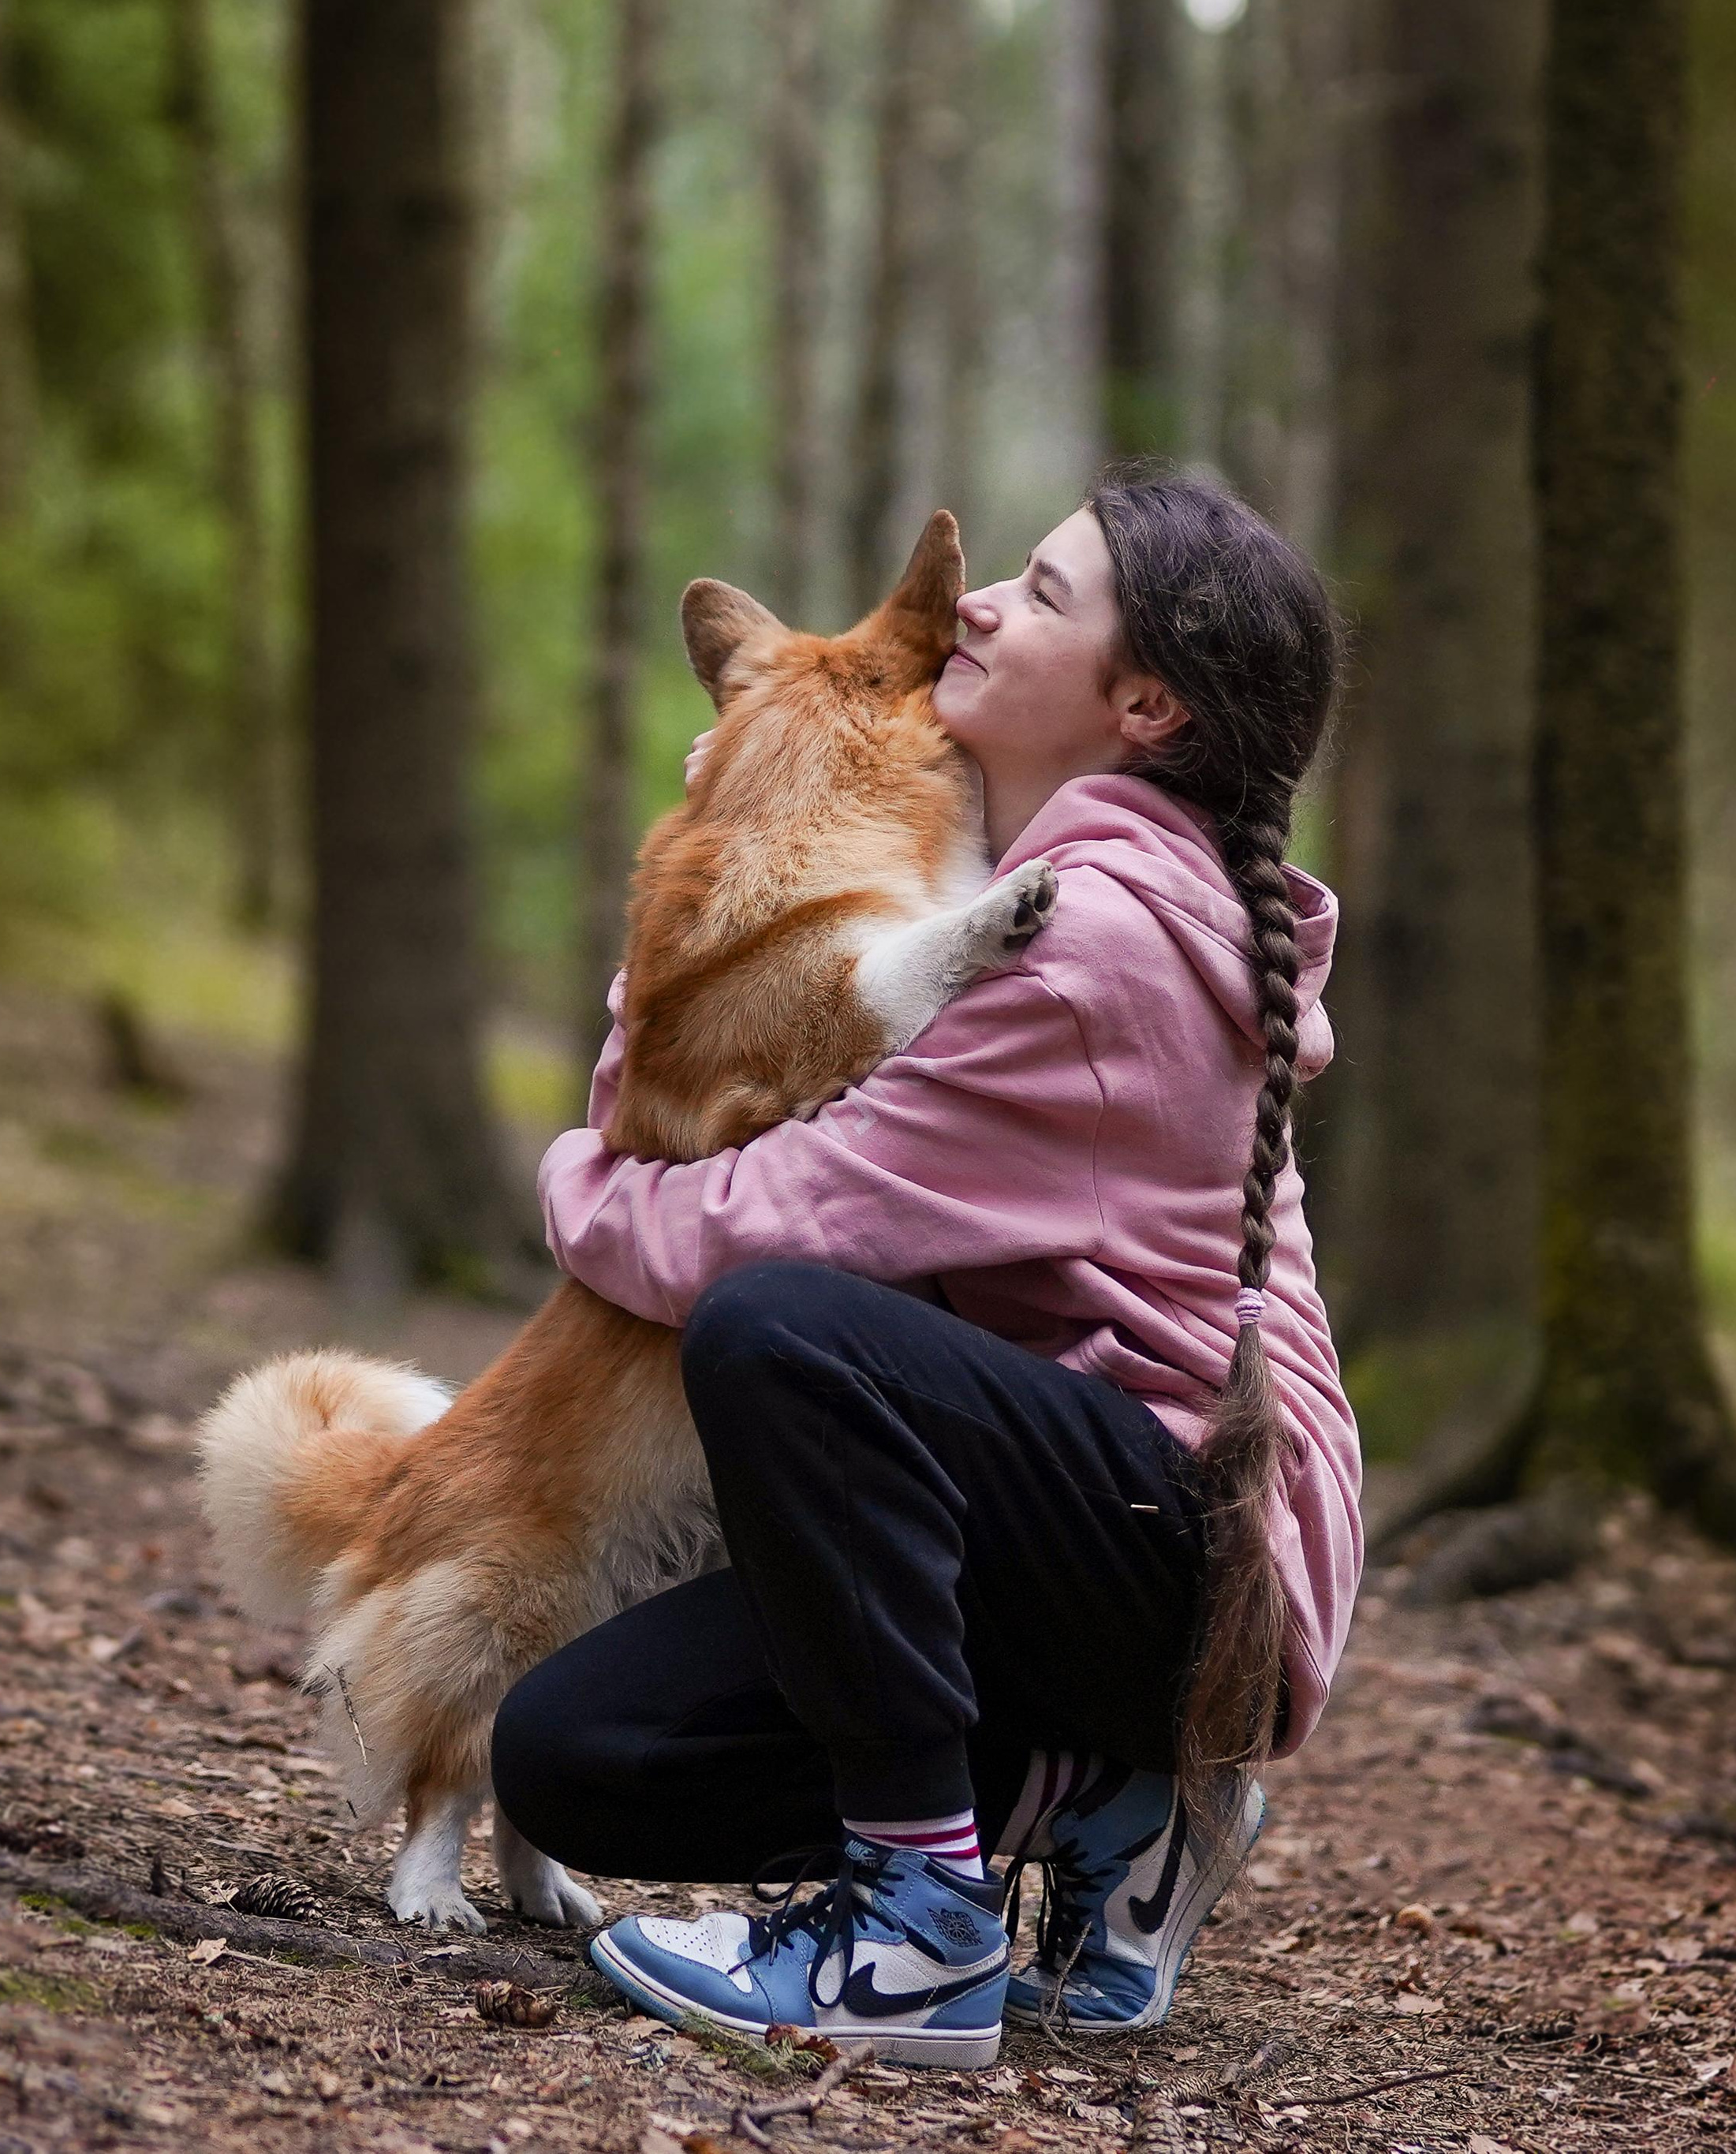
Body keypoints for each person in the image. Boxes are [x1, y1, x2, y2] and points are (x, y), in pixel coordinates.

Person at [491, 466, 1363, 2068]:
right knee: (569, 1752)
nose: (973, 602)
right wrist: (725, 839)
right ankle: (1099, 1799)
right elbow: (731, 1068)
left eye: (1039, 593)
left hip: (1182, 1545)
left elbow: (753, 1224)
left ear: (1145, 702)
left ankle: (915, 1930)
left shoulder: (1083, 946)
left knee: (779, 1334)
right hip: (1056, 1522)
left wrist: (569, 1180)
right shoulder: (1029, 886)